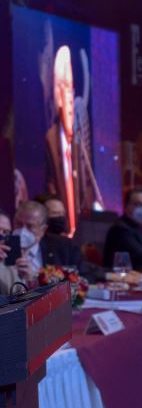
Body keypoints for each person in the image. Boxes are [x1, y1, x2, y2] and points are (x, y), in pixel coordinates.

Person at [44, 46, 100, 236]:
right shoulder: (50, 140)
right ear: (56, 95)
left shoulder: (80, 141)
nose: (68, 99)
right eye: (63, 89)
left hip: (82, 235)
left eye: (71, 89)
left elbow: (87, 187)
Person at [13, 201, 82, 277]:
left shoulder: (65, 248)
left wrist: (35, 277)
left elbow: (82, 278)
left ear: (43, 230)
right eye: (18, 224)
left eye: (30, 226)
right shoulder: (5, 248)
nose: (23, 231)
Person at [104, 187, 142, 270]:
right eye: (137, 205)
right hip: (121, 276)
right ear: (126, 206)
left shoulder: (137, 227)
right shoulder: (120, 229)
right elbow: (139, 256)